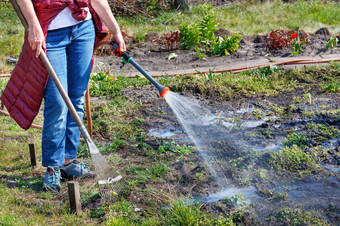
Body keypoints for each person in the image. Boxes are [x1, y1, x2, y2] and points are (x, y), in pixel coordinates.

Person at [15, 0, 126, 192]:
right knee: (58, 101)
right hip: (50, 32)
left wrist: (115, 29)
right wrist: (33, 24)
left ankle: (68, 161)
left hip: (83, 29)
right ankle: (53, 166)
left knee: (76, 99)